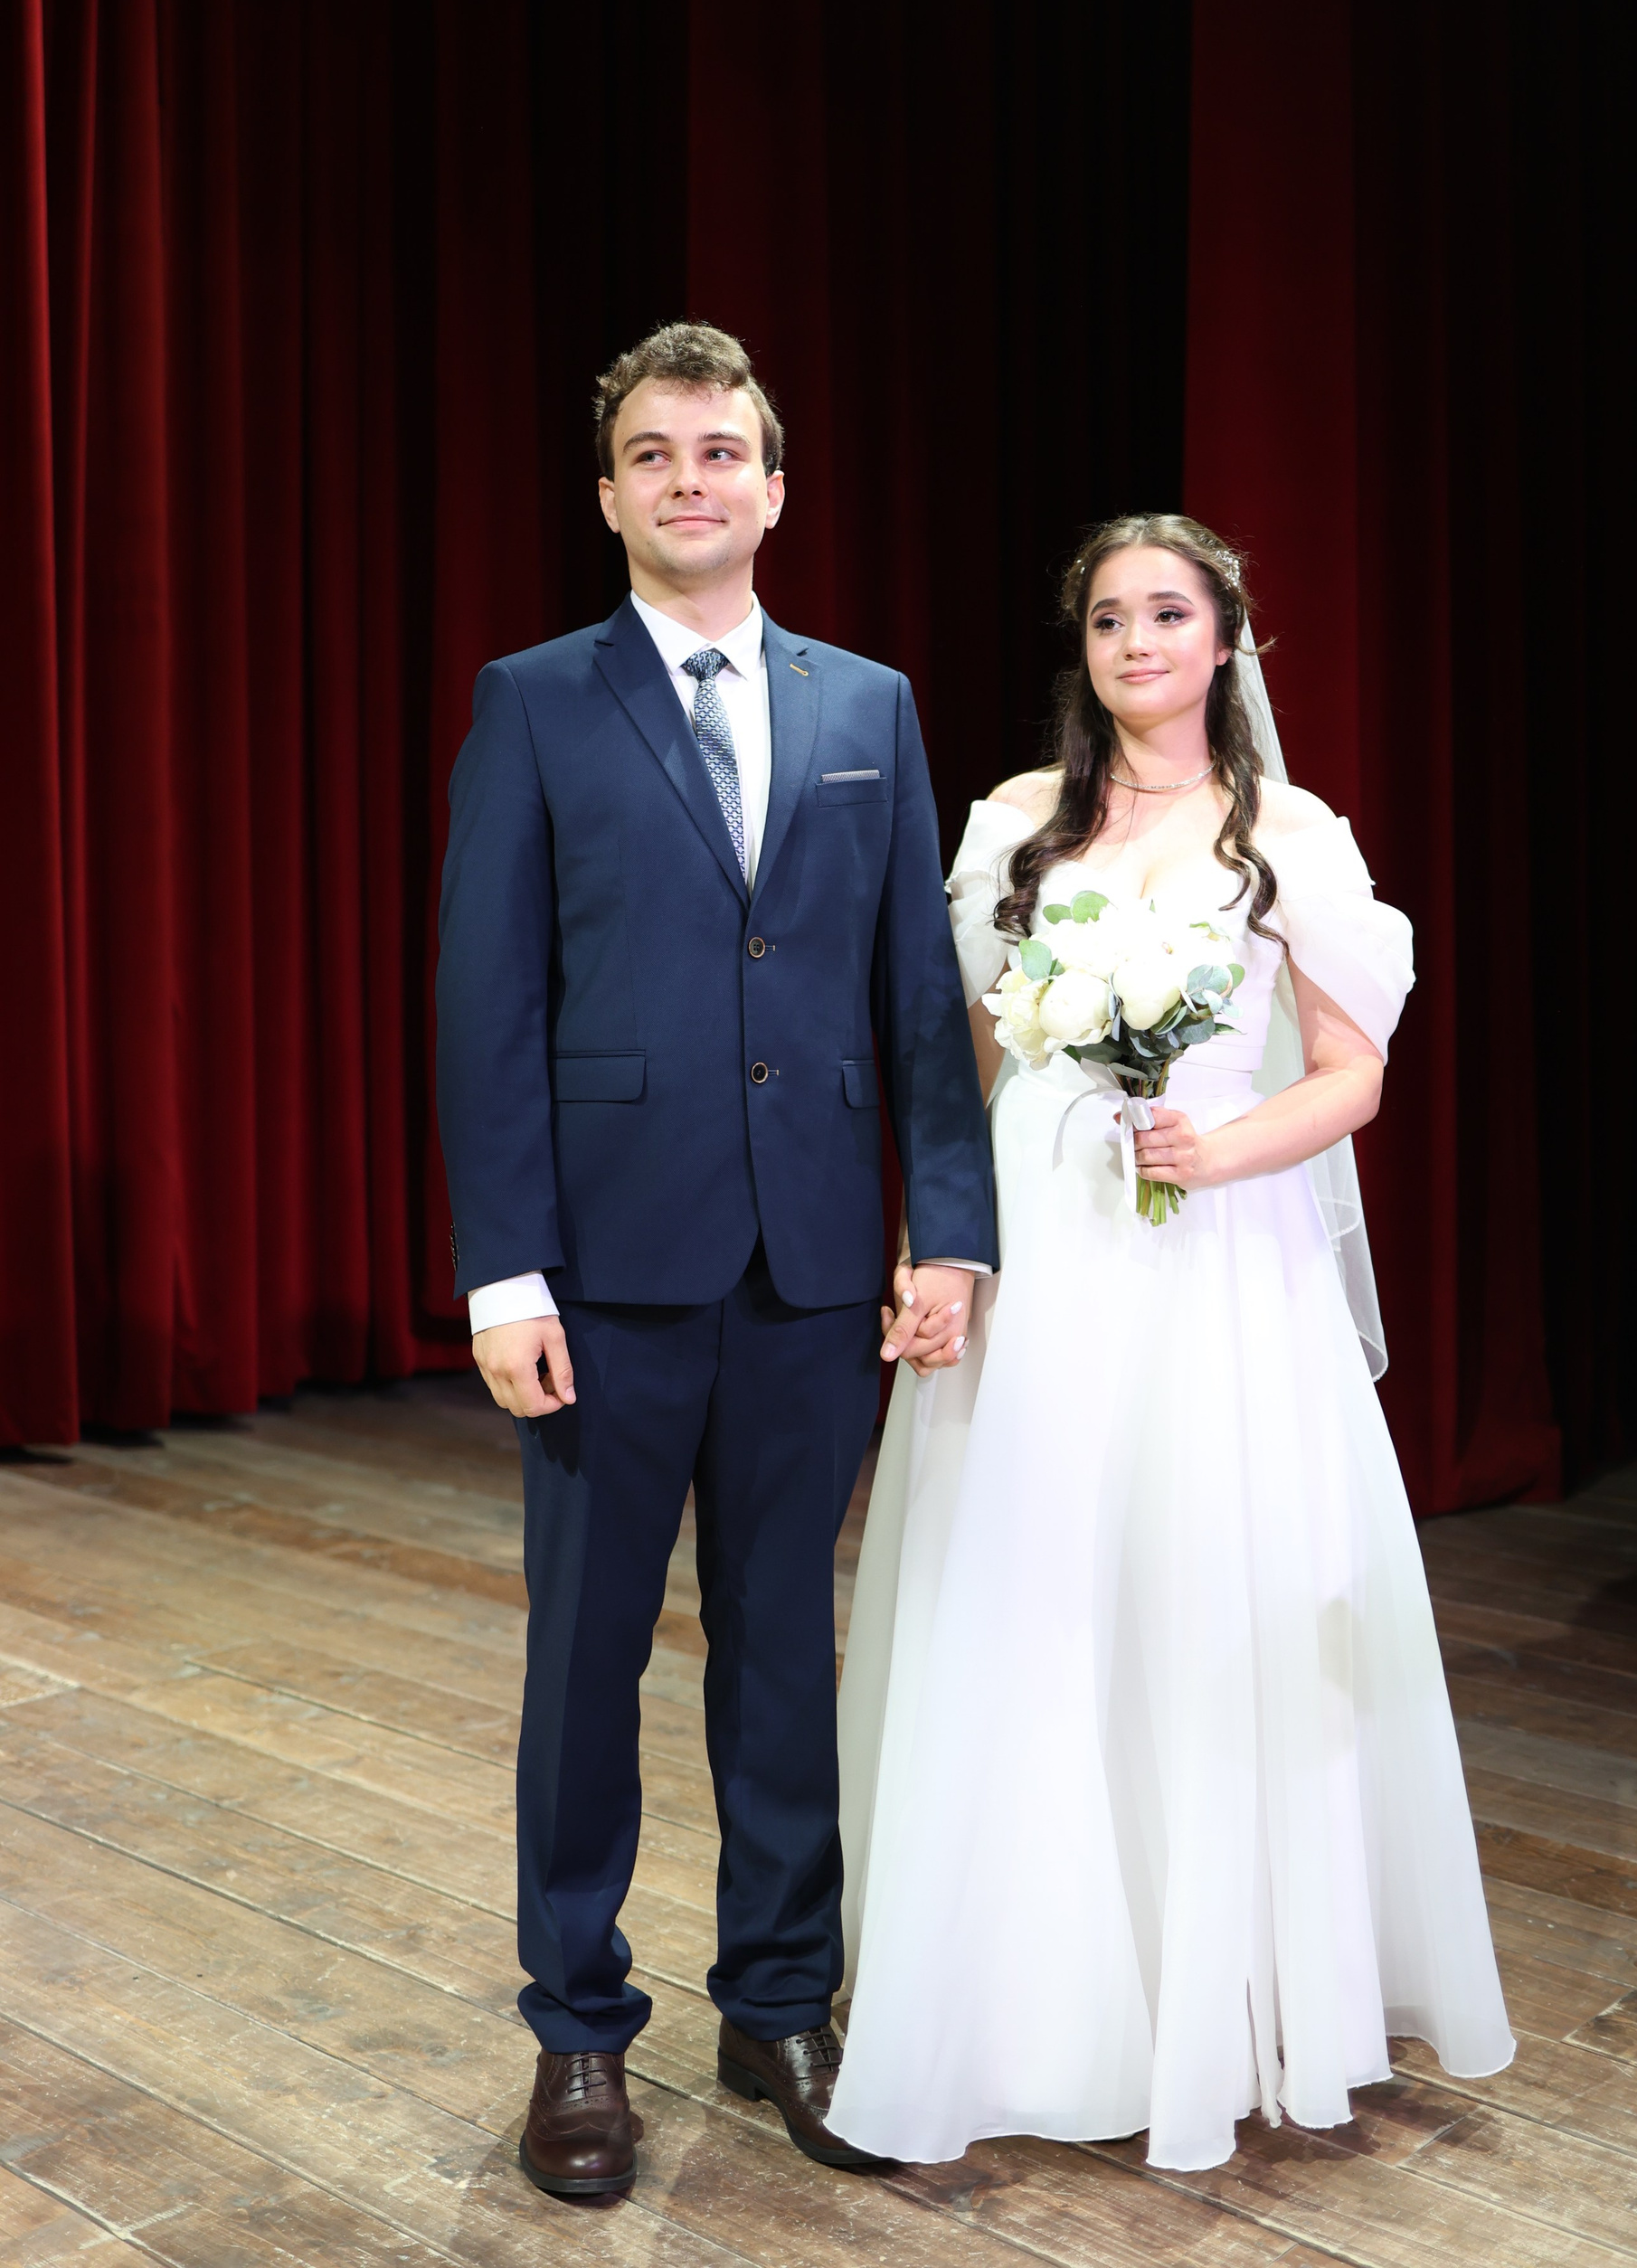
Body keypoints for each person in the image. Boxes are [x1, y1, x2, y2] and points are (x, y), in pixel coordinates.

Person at [829, 513, 1515, 2171]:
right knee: (1031, 1584)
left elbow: (1351, 1075)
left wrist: (1221, 1148)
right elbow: (965, 1073)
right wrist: (937, 1246)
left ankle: (1217, 1987)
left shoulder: (1291, 833)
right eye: (1109, 620)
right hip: (1040, 1250)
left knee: (1197, 1582)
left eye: (1168, 614)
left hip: (1216, 1255)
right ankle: (1025, 2003)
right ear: (1083, 650)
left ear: (1224, 639)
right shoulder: (1016, 826)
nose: (1138, 643)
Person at [435, 321, 997, 2196]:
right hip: (604, 1273)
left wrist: (948, 1231)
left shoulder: (870, 707)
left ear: (774, 487)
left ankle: (778, 2005)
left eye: (723, 450)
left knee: (782, 1658)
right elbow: (489, 1007)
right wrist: (505, 1271)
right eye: (655, 454)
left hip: (813, 1266)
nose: (692, 479)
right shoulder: (534, 701)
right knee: (585, 1661)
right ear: (608, 494)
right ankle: (579, 2030)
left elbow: (916, 998)